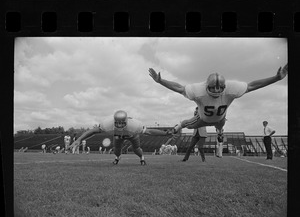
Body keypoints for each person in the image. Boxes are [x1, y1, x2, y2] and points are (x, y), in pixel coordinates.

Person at [149, 64, 288, 157]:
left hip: (220, 118)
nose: (217, 90)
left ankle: (220, 131)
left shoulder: (232, 88)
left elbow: (253, 85)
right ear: (206, 86)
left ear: (224, 86)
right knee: (187, 124)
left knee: (221, 124)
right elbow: (179, 88)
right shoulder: (198, 90)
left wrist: (276, 78)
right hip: (202, 119)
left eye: (220, 88)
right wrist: (161, 81)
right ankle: (177, 126)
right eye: (213, 88)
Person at [68, 110, 173, 165]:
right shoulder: (107, 124)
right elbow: (93, 131)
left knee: (136, 149)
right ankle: (117, 158)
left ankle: (141, 158)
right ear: (114, 121)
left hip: (132, 135)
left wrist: (165, 133)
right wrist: (79, 139)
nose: (119, 126)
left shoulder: (134, 125)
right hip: (118, 136)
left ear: (126, 121)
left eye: (121, 123)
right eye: (117, 123)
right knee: (117, 149)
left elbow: (149, 131)